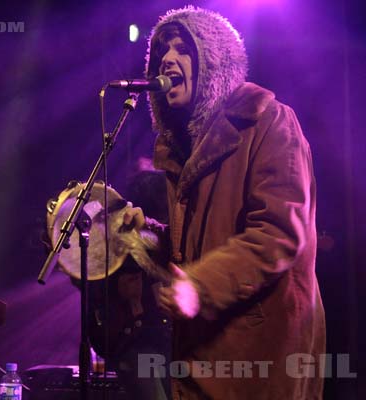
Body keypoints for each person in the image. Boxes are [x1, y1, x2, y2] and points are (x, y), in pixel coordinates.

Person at [122, 6, 326, 399]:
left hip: (261, 356)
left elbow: (278, 233)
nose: (166, 58)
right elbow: (199, 248)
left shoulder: (269, 122)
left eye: (182, 49)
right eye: (162, 50)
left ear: (214, 60)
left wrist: (201, 285)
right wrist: (146, 238)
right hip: (203, 355)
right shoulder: (181, 151)